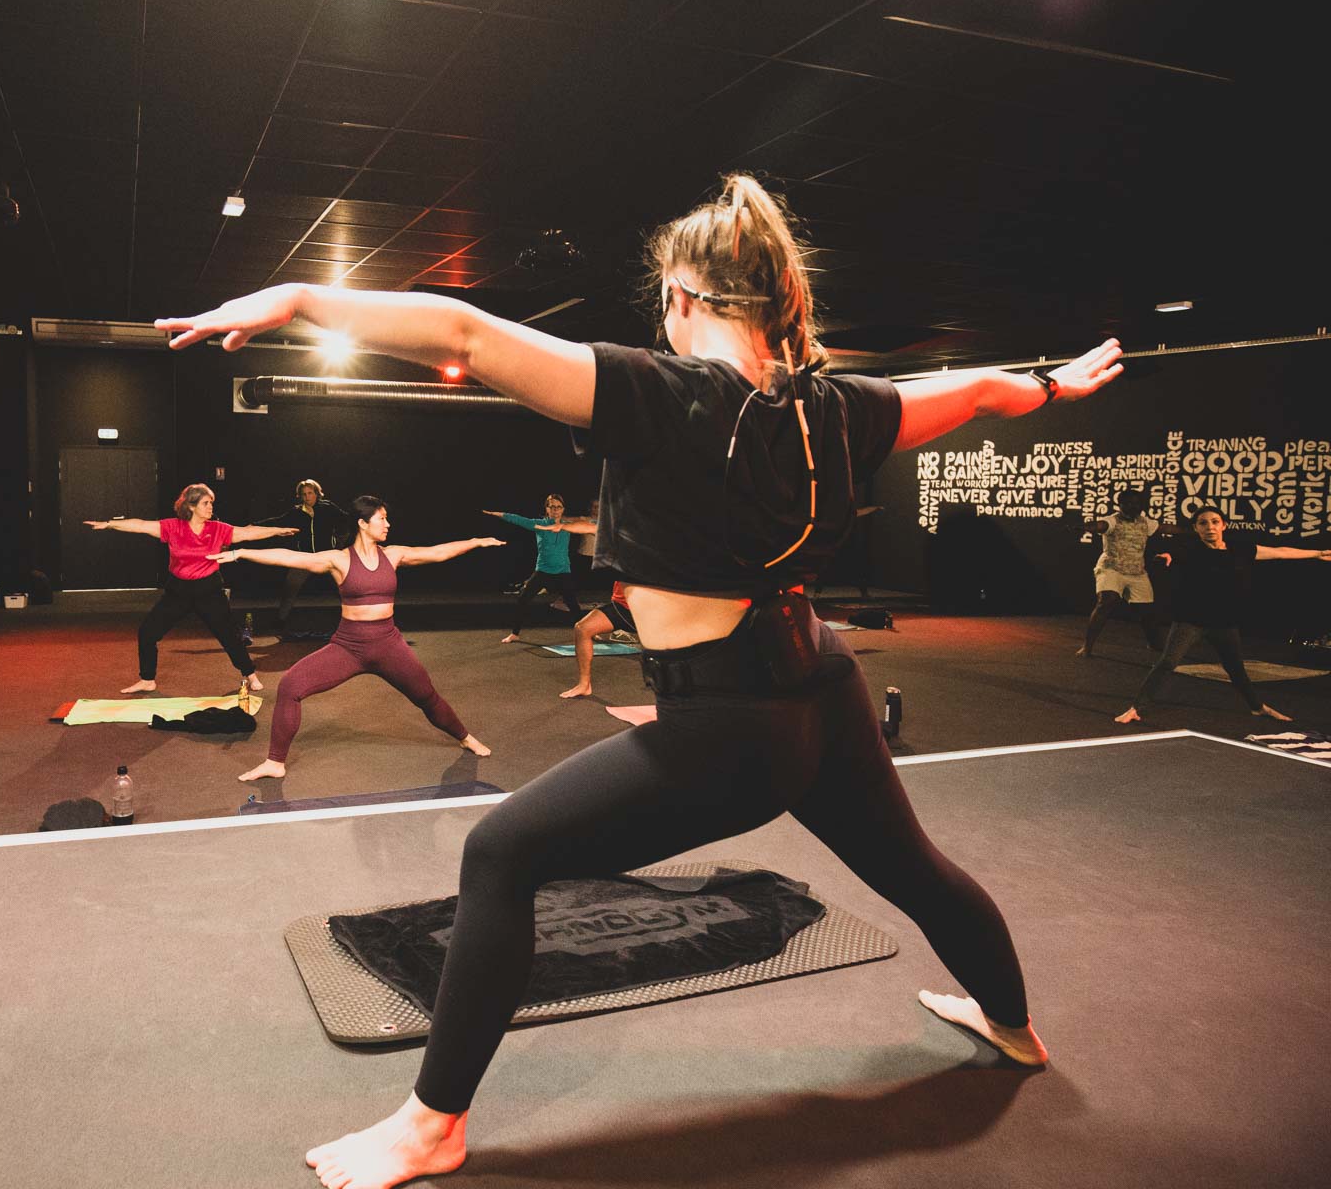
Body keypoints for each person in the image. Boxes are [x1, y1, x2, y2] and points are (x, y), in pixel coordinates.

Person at [159, 173, 1125, 1189]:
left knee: (500, 853)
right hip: (824, 691)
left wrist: (306, 299)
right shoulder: (843, 409)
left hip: (727, 732)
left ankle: (432, 1124)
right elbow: (978, 391)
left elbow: (468, 334)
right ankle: (1015, 1028)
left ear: (683, 299)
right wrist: (1055, 385)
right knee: (917, 868)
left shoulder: (664, 397)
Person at [210, 495, 501, 782]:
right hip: (348, 647)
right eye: (382, 518)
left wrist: (474, 542)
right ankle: (275, 762)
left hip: (389, 645)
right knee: (290, 686)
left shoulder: (393, 554)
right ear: (363, 523)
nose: (388, 524)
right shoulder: (339, 560)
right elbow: (293, 557)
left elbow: (436, 552)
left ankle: (465, 737)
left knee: (427, 697)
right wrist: (241, 553)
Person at [1113, 505, 1329, 724]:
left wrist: (1317, 553)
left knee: (1236, 669)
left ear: (1223, 525)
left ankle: (1257, 708)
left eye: (1215, 522)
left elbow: (1280, 552)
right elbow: (1172, 555)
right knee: (1167, 662)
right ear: (1196, 528)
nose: (1210, 527)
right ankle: (1135, 709)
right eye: (1203, 523)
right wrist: (1166, 557)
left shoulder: (1240, 550)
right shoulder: (1189, 550)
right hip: (1191, 621)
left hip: (1223, 623)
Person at [86, 484, 294, 694]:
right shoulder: (173, 527)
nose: (210, 507)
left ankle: (250, 675)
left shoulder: (217, 529)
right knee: (148, 632)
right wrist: (109, 524)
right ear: (191, 506)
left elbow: (248, 533)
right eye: (205, 503)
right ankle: (147, 679)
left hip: (209, 591)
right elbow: (140, 525)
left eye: (211, 502)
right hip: (179, 592)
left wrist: (277, 531)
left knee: (229, 635)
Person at [1076, 488, 1167, 656]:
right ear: (1120, 504)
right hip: (1111, 568)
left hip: (1137, 572)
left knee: (1146, 612)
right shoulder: (1112, 520)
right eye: (1129, 503)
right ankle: (1087, 646)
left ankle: (1154, 644)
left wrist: (1195, 531)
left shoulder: (1145, 522)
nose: (1134, 506)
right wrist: (1090, 527)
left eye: (1137, 503)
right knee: (1106, 601)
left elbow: (1165, 528)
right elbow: (1100, 525)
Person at [483, 495, 583, 642]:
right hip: (543, 570)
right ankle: (515, 634)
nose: (555, 510)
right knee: (522, 599)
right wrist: (497, 514)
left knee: (573, 604)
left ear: (563, 509)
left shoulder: (568, 525)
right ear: (547, 509)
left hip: (563, 571)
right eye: (552, 507)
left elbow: (591, 524)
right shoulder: (539, 524)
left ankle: (588, 631)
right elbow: (518, 519)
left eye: (558, 507)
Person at [267, 479, 353, 632]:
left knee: (344, 588)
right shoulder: (297, 512)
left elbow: (347, 520)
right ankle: (280, 621)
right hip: (305, 558)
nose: (307, 497)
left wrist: (340, 544)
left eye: (310, 493)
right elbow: (277, 521)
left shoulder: (328, 507)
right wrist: (252, 525)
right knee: (290, 588)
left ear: (317, 493)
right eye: (304, 494)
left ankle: (355, 620)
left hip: (328, 557)